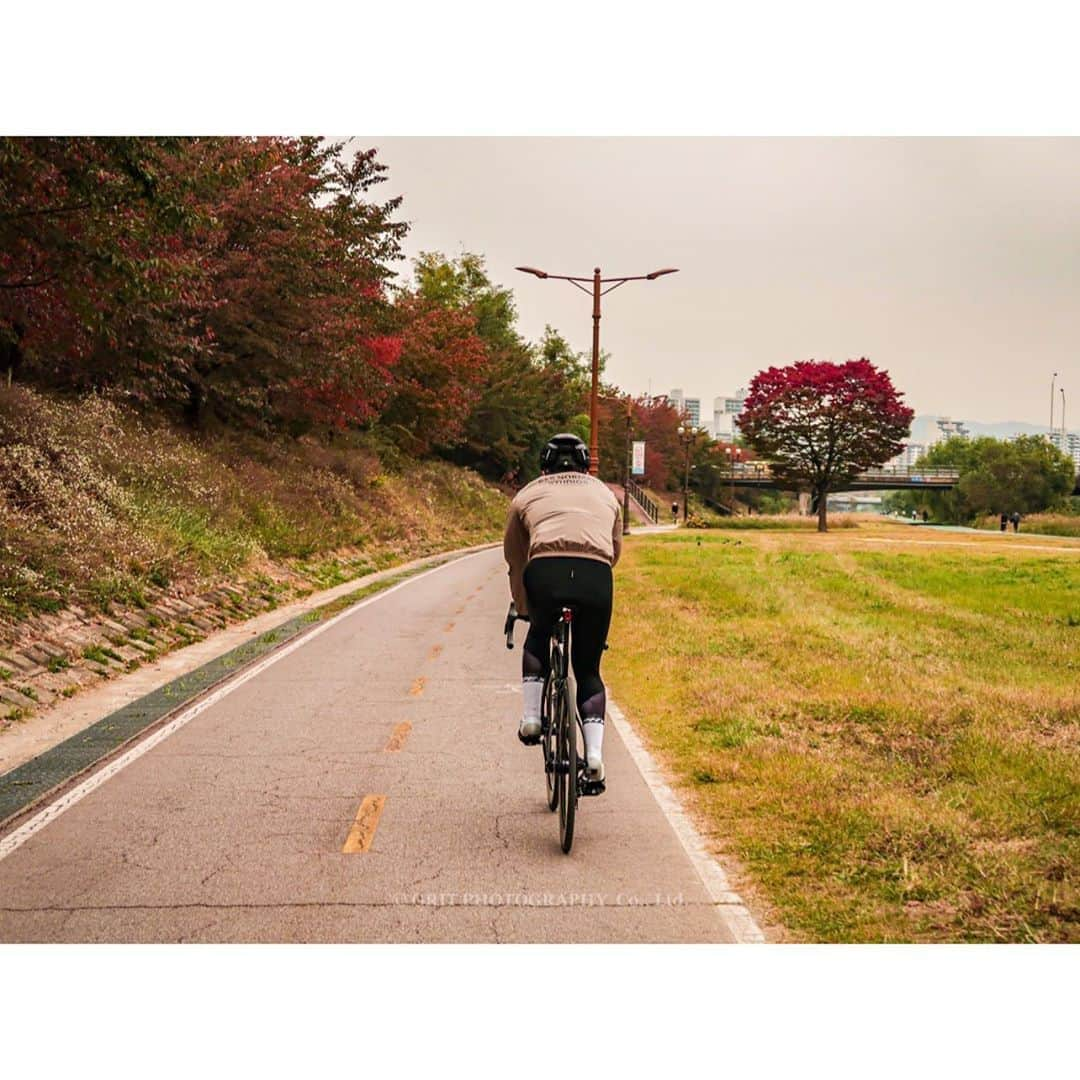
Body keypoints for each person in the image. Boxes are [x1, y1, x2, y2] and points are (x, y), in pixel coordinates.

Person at [503, 434, 622, 787]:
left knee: (538, 636)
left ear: (544, 467)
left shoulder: (528, 493)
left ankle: (531, 719)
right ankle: (596, 756)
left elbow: (515, 556)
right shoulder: (605, 493)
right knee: (588, 671)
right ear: (587, 466)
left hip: (545, 572)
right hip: (595, 576)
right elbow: (613, 551)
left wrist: (524, 606)